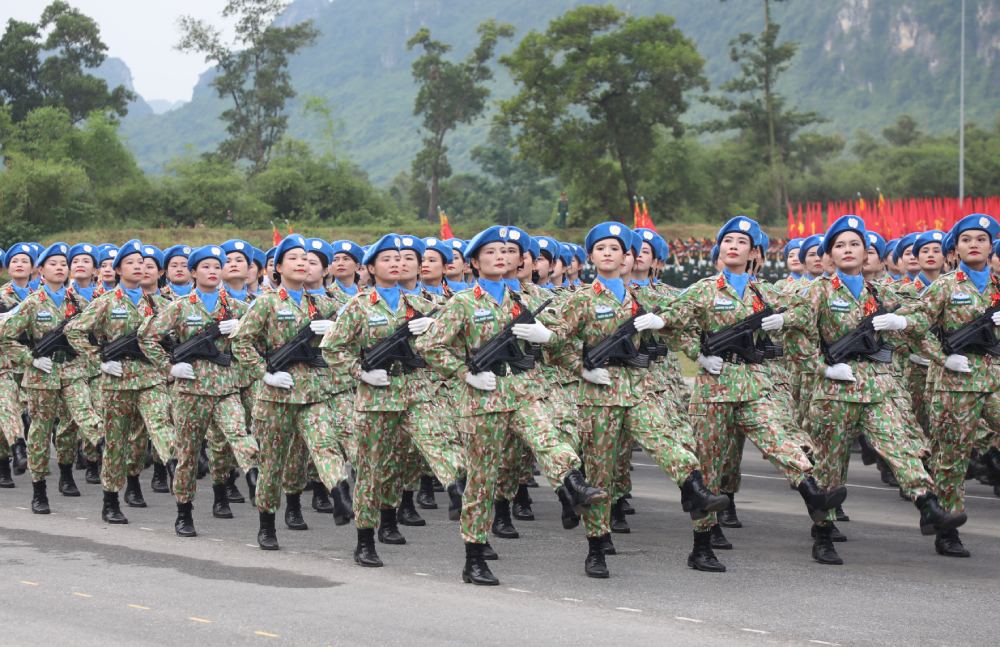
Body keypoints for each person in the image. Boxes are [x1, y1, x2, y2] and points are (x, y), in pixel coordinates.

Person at [417, 225, 606, 586]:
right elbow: (430, 346)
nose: (500, 257)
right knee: (482, 480)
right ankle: (474, 555)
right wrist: (464, 373)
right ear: (474, 261)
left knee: (548, 438)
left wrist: (547, 336)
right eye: (490, 252)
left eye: (506, 251)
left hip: (523, 390)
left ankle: (573, 483)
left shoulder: (525, 299)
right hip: (482, 398)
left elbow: (561, 335)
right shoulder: (463, 302)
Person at [660, 216, 848, 571]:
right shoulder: (703, 289)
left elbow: (806, 312)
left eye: (741, 242)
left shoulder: (766, 292)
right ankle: (701, 546)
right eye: (727, 240)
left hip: (754, 385)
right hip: (714, 387)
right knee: (710, 468)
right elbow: (670, 323)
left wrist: (784, 320)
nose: (733, 246)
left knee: (780, 441)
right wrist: (698, 354)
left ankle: (815, 497)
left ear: (754, 252)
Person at [783, 216, 963, 564]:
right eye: (840, 245)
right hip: (834, 391)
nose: (848, 250)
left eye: (854, 244)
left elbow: (917, 321)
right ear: (830, 255)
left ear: (867, 253)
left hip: (877, 389)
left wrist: (923, 340)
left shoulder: (880, 292)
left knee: (900, 446)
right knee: (830, 469)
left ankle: (928, 505)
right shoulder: (817, 291)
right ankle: (823, 535)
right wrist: (824, 367)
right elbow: (795, 339)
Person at [231, 234, 352, 551]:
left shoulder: (322, 303)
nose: (301, 262)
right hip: (275, 399)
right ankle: (267, 524)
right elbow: (241, 343)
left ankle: (340, 492)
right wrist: (265, 373)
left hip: (312, 394)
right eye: (294, 258)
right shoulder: (266, 303)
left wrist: (336, 328)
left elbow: (355, 318)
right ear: (279, 267)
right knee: (271, 465)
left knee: (325, 444)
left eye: (306, 258)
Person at [894, 214, 1000, 557]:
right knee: (951, 459)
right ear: (955, 249)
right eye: (967, 239)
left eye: (981, 239)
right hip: (955, 382)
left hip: (995, 378)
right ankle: (947, 530)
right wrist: (941, 358)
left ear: (990, 247)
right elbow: (918, 326)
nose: (974, 244)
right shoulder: (945, 285)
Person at [141, 244, 261, 536]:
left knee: (237, 434)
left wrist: (243, 327)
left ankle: (252, 477)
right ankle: (184, 511)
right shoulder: (180, 306)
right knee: (188, 453)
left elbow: (262, 331)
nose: (212, 271)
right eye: (205, 267)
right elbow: (148, 338)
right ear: (194, 272)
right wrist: (169, 367)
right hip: (189, 391)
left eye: (216, 267)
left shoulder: (235, 307)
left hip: (225, 389)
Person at [64, 240, 176, 525]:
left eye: (141, 262)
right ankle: (111, 499)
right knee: (116, 443)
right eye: (131, 263)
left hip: (151, 378)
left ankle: (173, 462)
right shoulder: (105, 302)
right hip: (116, 381)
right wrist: (98, 359)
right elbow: (74, 331)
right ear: (117, 269)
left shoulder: (160, 304)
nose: (138, 266)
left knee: (158, 424)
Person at [0, 243, 102, 514]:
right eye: (53, 264)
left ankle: (98, 442)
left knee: (82, 411)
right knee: (41, 431)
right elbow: (7, 337)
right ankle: (39, 489)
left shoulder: (79, 303)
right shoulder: (32, 303)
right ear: (41, 271)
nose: (59, 268)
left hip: (73, 370)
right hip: (42, 374)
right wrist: (30, 358)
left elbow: (94, 334)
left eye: (62, 264)